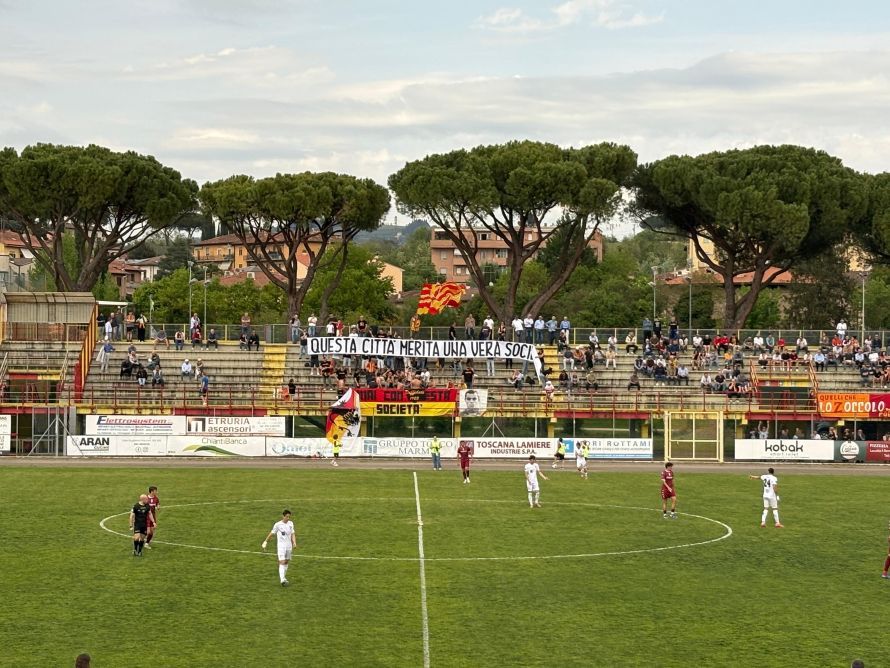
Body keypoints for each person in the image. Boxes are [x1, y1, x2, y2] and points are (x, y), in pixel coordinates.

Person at [261, 509, 297, 586]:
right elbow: (272, 533)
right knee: (282, 562)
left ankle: (283, 578)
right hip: (281, 546)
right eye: (287, 517)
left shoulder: (291, 524)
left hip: (289, 546)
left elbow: (293, 534)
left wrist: (294, 542)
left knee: (286, 561)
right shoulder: (278, 525)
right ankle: (282, 580)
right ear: (283, 516)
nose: (288, 518)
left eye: (289, 517)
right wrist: (265, 541)